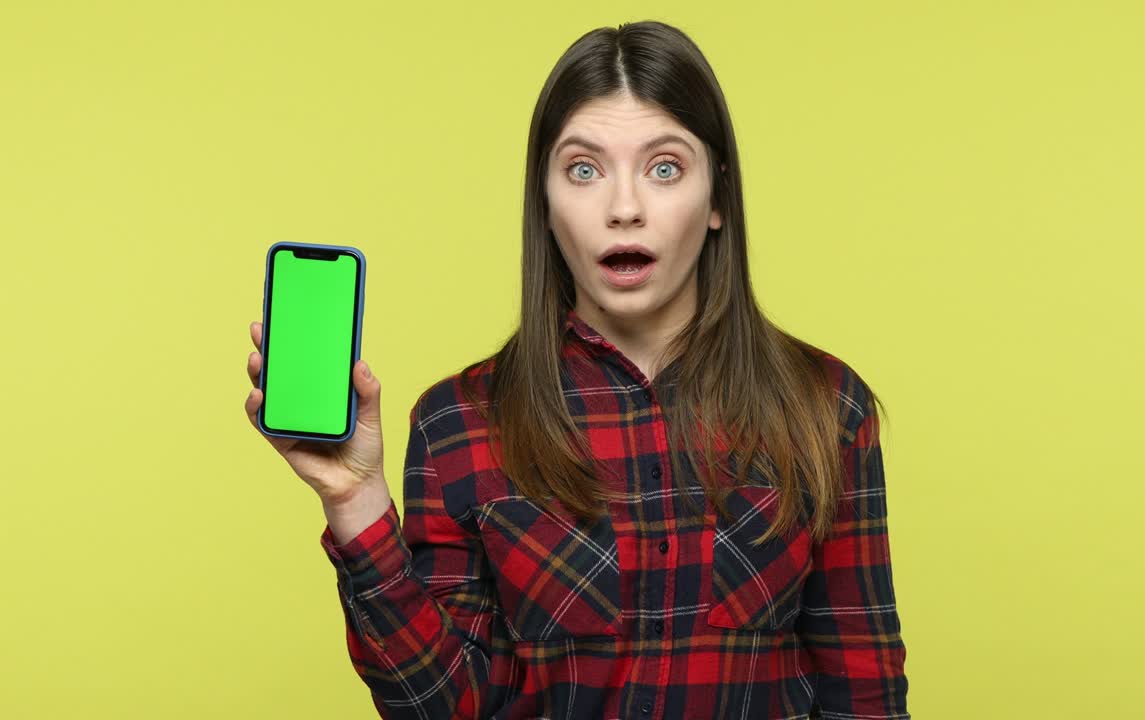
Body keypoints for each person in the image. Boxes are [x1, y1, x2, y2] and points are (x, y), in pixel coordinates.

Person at [244, 20, 909, 719]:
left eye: (665, 168)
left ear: (717, 198)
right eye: (584, 170)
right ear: (547, 203)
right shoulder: (459, 423)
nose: (624, 209)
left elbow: (863, 694)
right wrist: (354, 503)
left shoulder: (826, 406)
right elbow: (439, 706)